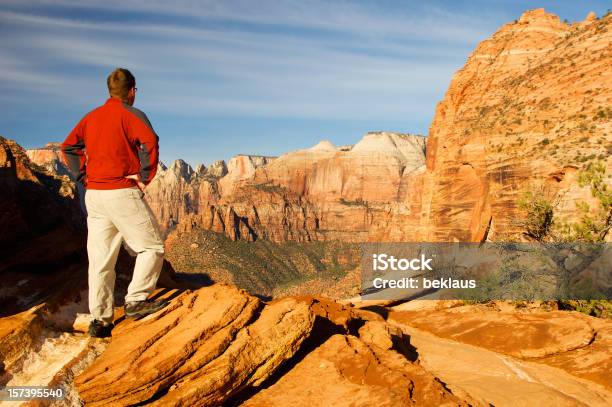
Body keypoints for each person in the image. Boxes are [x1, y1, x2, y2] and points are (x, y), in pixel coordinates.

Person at [62, 68, 168, 338]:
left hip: (94, 196)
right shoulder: (132, 114)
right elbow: (150, 143)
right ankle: (136, 300)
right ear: (132, 90)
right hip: (121, 190)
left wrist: (82, 176)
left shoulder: (92, 117)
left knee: (100, 259)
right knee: (151, 247)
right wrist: (145, 176)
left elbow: (69, 147)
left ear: (110, 90)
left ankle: (101, 319)